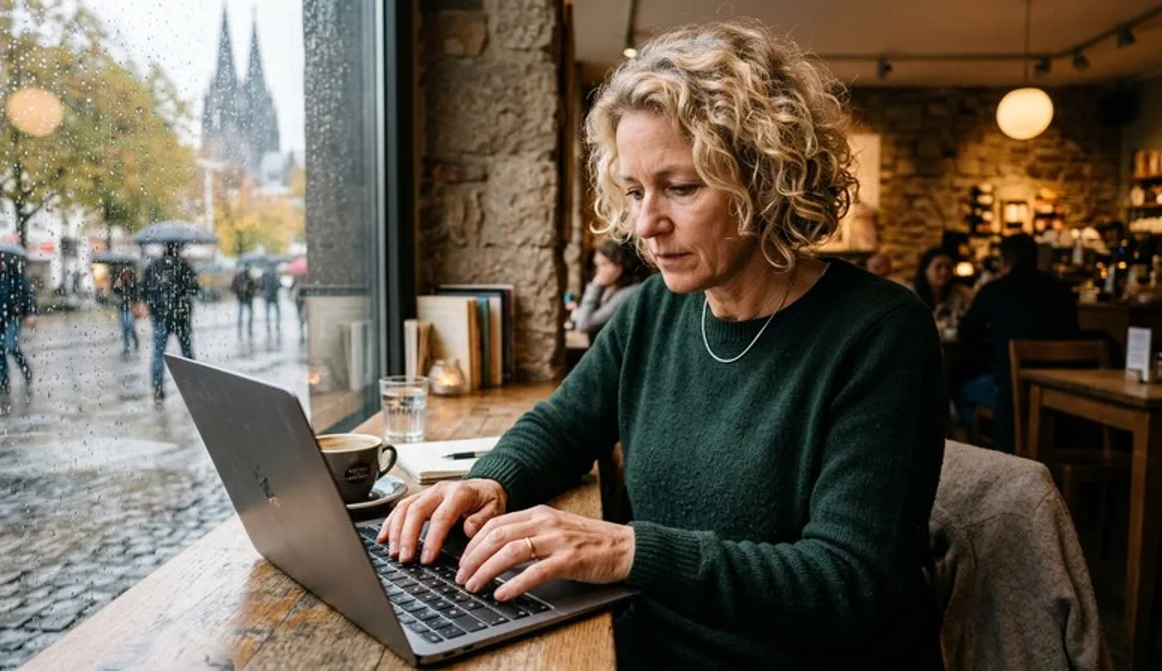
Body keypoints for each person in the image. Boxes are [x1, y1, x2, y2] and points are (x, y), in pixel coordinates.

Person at [377, 20, 945, 669]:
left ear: (766, 180)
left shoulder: (880, 332)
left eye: (681, 187)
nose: (646, 224)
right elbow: (563, 424)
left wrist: (627, 550)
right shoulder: (654, 309)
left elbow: (849, 584)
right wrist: (490, 483)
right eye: (634, 190)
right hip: (643, 643)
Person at [957, 234, 1079, 453]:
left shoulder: (995, 290)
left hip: (1009, 392)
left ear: (1004, 261)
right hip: (1058, 394)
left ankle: (983, 455)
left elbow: (966, 332)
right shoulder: (1063, 291)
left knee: (960, 390)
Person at [141, 243, 200, 400]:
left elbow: (144, 291)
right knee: (187, 353)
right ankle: (193, 386)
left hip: (160, 317)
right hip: (181, 317)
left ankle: (157, 388)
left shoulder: (153, 266)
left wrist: (154, 307)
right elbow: (195, 289)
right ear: (178, 249)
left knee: (158, 353)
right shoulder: (183, 266)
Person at [0, 250, 36, 395]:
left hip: (11, 316)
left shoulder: (14, 274)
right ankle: (4, 383)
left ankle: (26, 370)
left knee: (11, 346)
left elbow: (27, 292)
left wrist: (30, 312)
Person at [568, 240, 647, 338]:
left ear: (619, 266)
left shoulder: (629, 293)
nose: (598, 270)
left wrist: (595, 286)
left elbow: (583, 324)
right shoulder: (612, 289)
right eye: (597, 265)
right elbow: (582, 317)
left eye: (604, 264)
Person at [913, 247, 972, 331]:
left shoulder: (960, 292)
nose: (944, 272)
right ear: (925, 270)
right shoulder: (912, 295)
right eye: (938, 267)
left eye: (948, 267)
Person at [111, 265, 141, 355]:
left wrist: (135, 307)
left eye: (128, 274)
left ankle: (133, 340)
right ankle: (127, 346)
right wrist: (118, 283)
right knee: (125, 327)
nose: (126, 276)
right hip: (122, 308)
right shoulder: (122, 284)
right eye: (125, 274)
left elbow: (136, 297)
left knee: (128, 326)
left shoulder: (133, 285)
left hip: (130, 309)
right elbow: (115, 290)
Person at [231, 267, 257, 337]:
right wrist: (251, 294)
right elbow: (254, 287)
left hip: (243, 299)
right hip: (246, 299)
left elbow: (232, 287)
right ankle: (247, 329)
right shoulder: (249, 277)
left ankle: (242, 329)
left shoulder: (238, 277)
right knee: (247, 314)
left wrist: (238, 294)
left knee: (242, 314)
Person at [259, 267, 281, 334]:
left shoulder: (264, 275)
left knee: (267, 312)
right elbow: (278, 284)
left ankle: (268, 325)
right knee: (277, 311)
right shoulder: (275, 274)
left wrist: (264, 291)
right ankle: (277, 324)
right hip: (274, 296)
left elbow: (261, 285)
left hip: (267, 295)